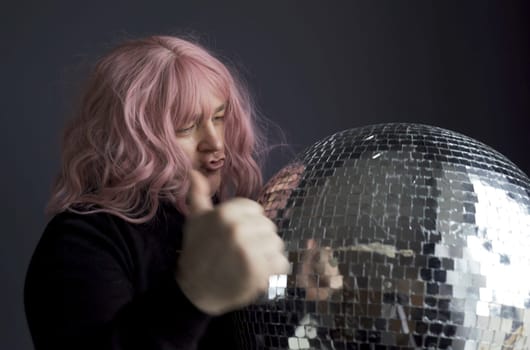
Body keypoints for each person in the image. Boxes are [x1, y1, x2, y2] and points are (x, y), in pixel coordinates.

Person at [24, 35, 290, 350]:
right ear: (131, 137)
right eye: (186, 127)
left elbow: (259, 328)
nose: (216, 144)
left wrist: (295, 289)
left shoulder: (215, 221)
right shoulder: (81, 242)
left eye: (218, 118)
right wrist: (194, 294)